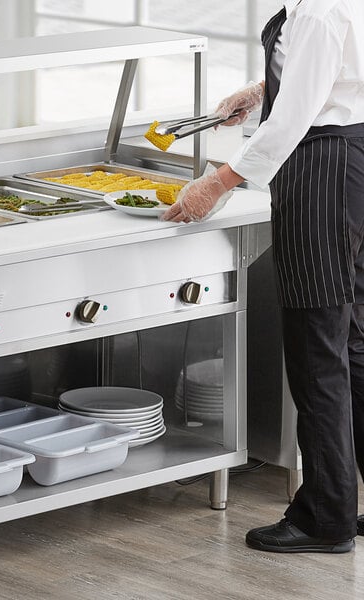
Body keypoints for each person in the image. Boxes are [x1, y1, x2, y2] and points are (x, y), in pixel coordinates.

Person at [164, 0, 364, 553]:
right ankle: (346, 500)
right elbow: (333, 76)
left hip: (319, 169)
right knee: (352, 344)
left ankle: (326, 519)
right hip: (349, 163)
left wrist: (217, 182)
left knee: (317, 351)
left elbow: (297, 116)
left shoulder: (319, 11)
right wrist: (260, 90)